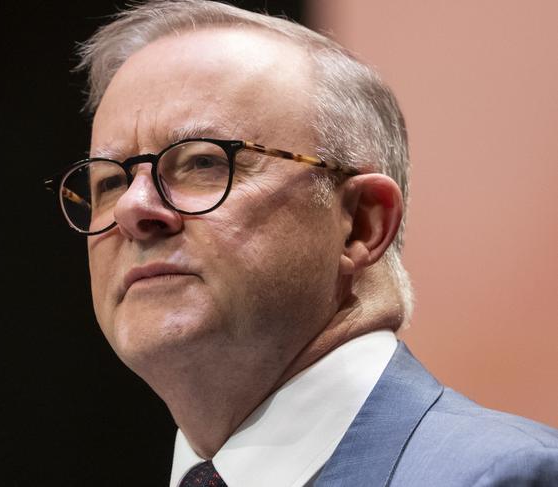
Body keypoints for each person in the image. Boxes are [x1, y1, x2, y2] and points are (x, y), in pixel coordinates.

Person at [44, 1, 558, 485]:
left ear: (360, 224)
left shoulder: (500, 476)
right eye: (109, 182)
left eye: (203, 162)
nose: (134, 209)